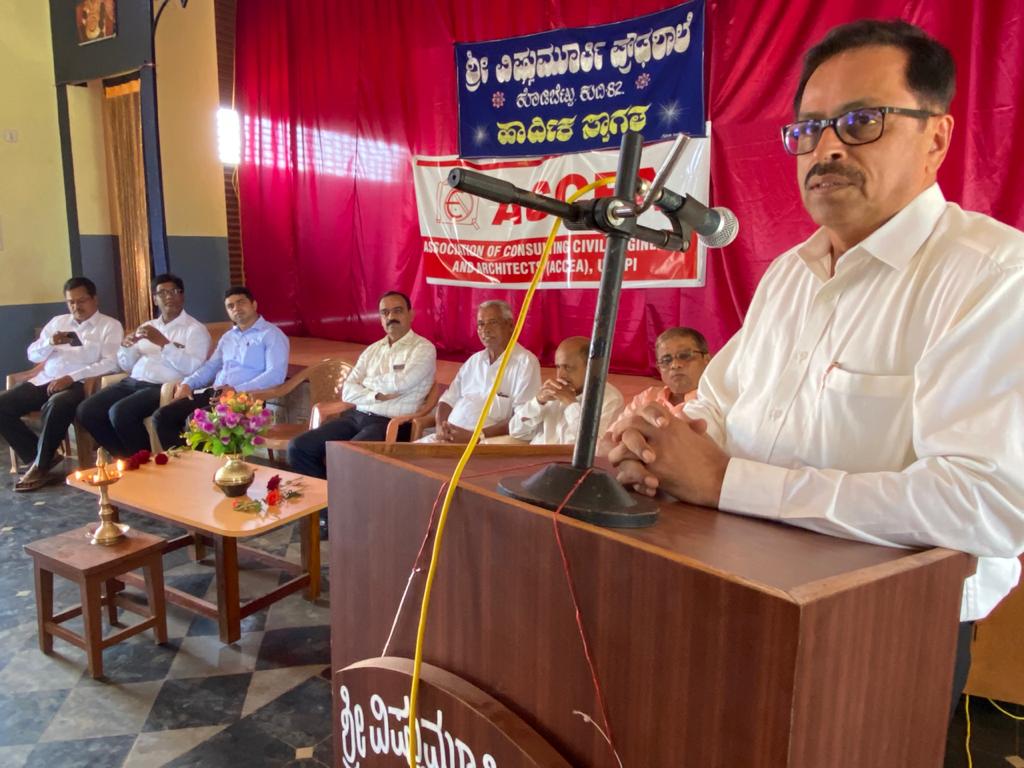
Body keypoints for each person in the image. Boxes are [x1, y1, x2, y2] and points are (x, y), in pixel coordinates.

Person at [607, 20, 1024, 711]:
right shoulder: (787, 276)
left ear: (937, 138)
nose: (826, 147)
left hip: (883, 636)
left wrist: (727, 482)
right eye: (808, 129)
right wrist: (655, 444)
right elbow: (717, 405)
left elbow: (981, 504)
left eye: (861, 121)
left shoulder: (994, 277)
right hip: (729, 590)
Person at [287, 291, 436, 478]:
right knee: (298, 447)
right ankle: (329, 493)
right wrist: (376, 395)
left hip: (391, 423)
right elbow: (348, 391)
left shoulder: (423, 349)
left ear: (411, 314)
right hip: (356, 417)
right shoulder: (372, 350)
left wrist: (365, 383)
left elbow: (401, 383)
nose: (391, 317)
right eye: (385, 312)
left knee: (347, 457)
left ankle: (338, 493)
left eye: (397, 311)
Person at [0, 277, 122, 491]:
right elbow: (32, 354)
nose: (76, 306)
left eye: (81, 301)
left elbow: (110, 363)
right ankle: (38, 457)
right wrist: (50, 342)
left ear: (94, 299)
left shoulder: (109, 326)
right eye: (71, 302)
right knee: (2, 405)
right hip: (45, 380)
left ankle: (40, 466)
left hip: (79, 384)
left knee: (57, 404)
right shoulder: (58, 322)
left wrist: (72, 377)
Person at [77, 273, 211, 458]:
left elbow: (193, 368)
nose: (169, 297)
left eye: (174, 291)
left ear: (182, 296)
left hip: (161, 386)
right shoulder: (148, 325)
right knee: (86, 410)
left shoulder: (195, 330)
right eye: (162, 293)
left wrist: (164, 343)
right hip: (132, 381)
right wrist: (126, 348)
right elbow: (127, 365)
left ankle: (145, 462)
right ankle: (126, 458)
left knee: (121, 412)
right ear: (155, 299)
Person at [150, 286, 289, 449]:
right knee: (162, 416)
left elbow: (275, 375)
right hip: (216, 394)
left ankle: (202, 464)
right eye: (230, 306)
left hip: (244, 399)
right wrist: (188, 384)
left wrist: (236, 390)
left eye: (241, 302)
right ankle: (181, 461)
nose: (236, 308)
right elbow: (210, 367)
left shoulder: (271, 334)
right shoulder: (228, 337)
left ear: (254, 305)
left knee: (196, 421)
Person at [419, 300, 540, 443]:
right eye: (481, 324)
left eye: (493, 322)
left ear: (510, 326)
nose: (486, 329)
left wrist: (474, 436)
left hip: (483, 444)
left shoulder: (526, 363)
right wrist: (440, 427)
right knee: (404, 454)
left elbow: (522, 419)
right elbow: (447, 400)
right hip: (446, 439)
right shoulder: (474, 361)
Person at [600, 327, 709, 454]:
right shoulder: (647, 397)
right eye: (666, 360)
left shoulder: (714, 400)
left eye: (685, 356)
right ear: (659, 368)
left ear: (707, 360)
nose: (675, 365)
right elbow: (607, 441)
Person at [509, 336, 623, 445]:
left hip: (565, 458)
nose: (560, 375)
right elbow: (516, 431)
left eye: (568, 368)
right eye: (558, 367)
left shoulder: (611, 399)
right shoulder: (551, 392)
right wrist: (537, 402)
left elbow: (594, 445)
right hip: (536, 454)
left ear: (592, 368)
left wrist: (571, 403)